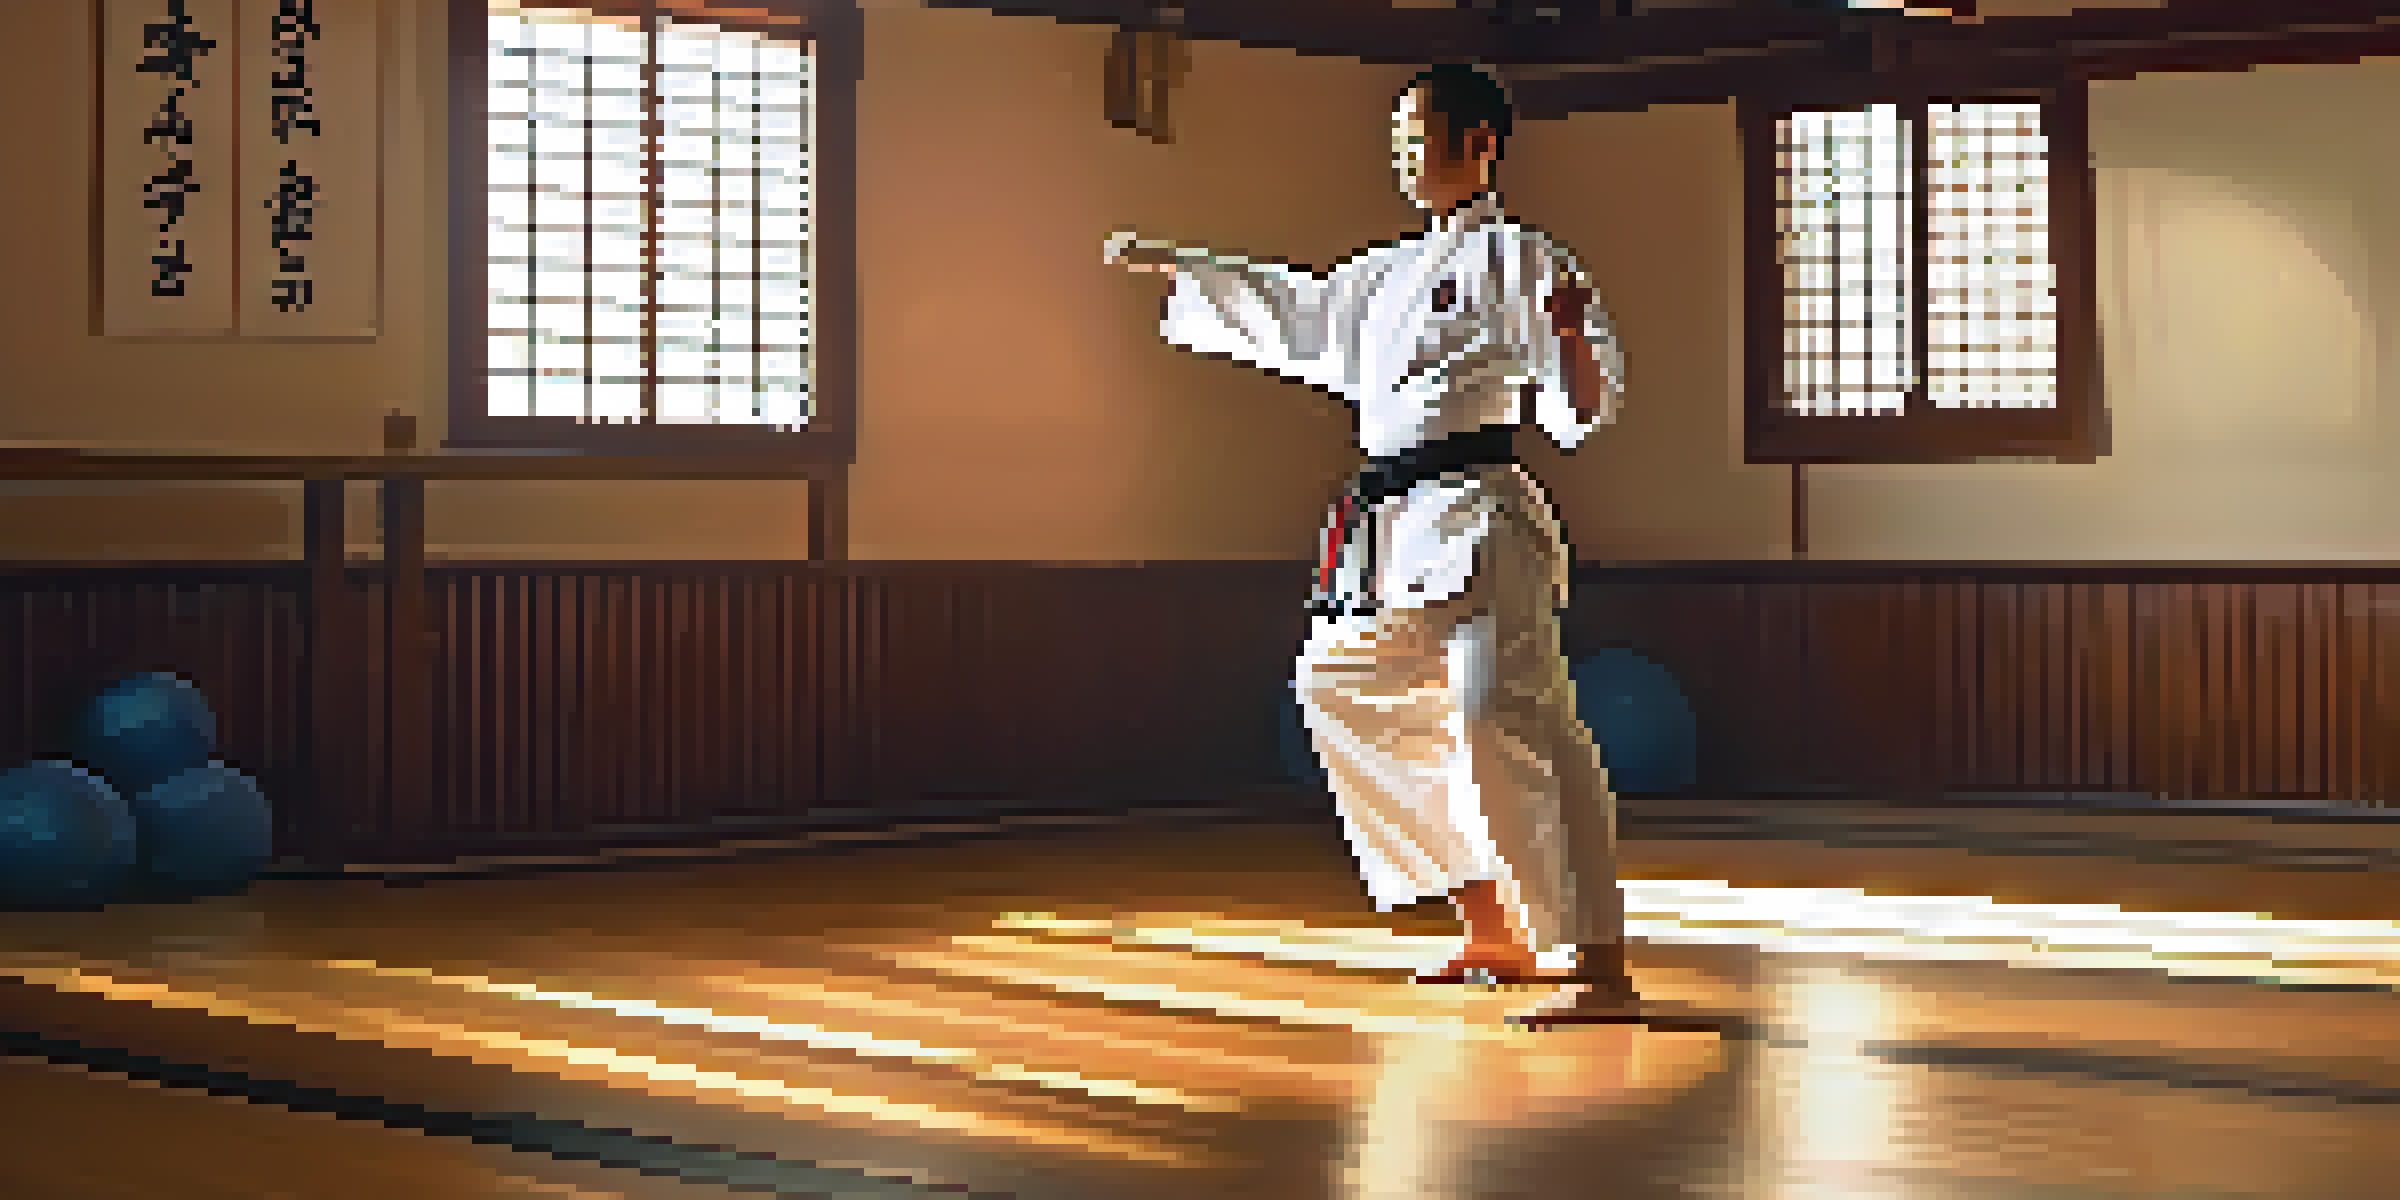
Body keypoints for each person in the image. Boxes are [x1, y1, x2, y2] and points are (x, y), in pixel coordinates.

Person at [1103, 63, 1641, 1027]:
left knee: (1505, 720)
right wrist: (1187, 273)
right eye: (1393, 138)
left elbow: (1578, 408)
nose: (1401, 155)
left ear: (1479, 144)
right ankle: (1492, 926)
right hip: (1398, 531)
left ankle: (1596, 962)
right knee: (1334, 681)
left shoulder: (1522, 258)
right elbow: (1297, 310)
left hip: (1483, 517)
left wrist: (1570, 350)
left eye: (1418, 135)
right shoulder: (1386, 274)